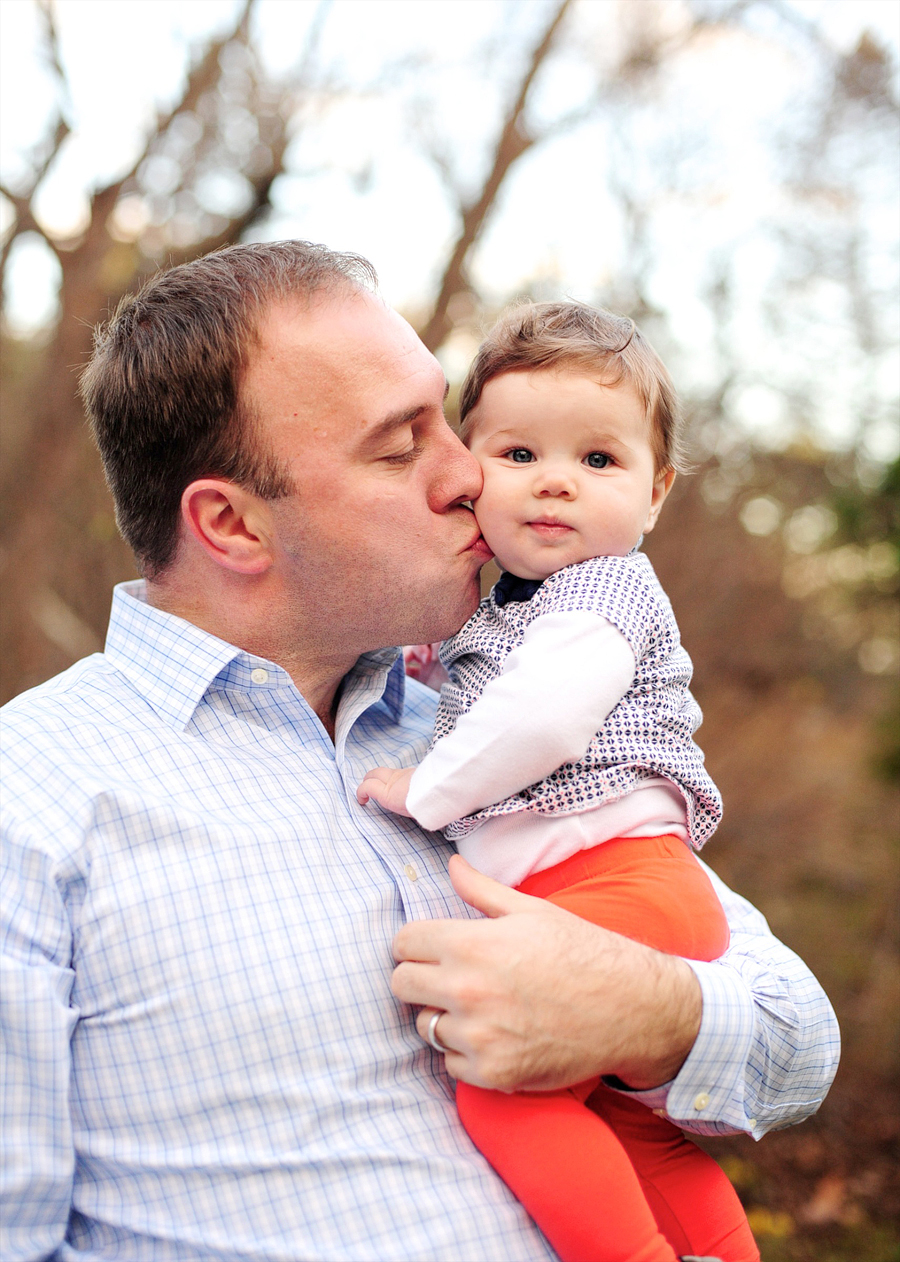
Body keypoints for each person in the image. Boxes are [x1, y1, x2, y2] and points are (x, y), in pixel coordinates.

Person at [1, 242, 839, 1261]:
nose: (469, 471)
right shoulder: (30, 803)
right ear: (231, 522)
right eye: (402, 448)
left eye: (448, 418)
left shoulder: (480, 717)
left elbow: (799, 1044)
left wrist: (646, 1012)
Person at [358, 301, 759, 1262]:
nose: (556, 487)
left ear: (655, 492)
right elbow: (481, 674)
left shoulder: (605, 591)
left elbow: (540, 718)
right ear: (467, 470)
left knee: (501, 1092)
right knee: (635, 1130)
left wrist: (426, 789)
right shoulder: (504, 609)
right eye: (520, 455)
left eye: (599, 461)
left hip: (621, 885)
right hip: (599, 891)